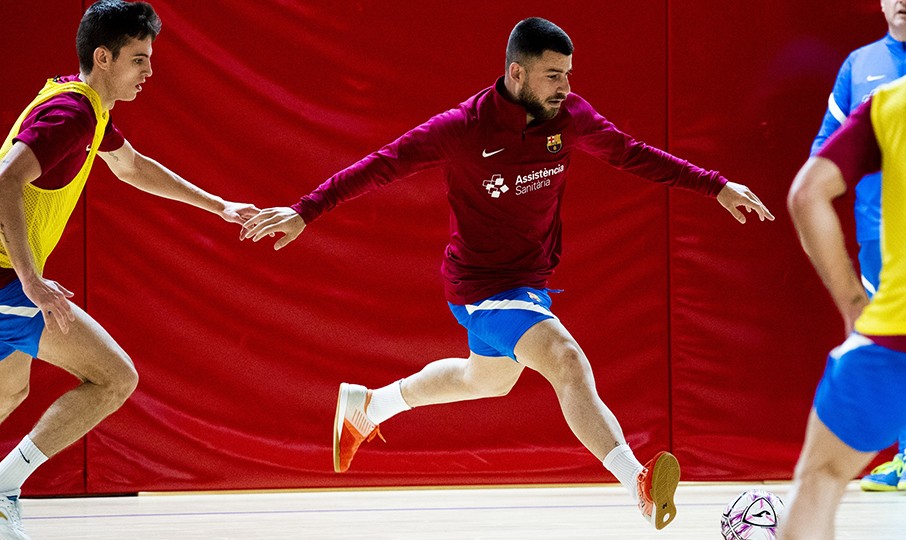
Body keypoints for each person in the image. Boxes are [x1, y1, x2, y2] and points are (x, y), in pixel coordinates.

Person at [243, 17, 773, 531]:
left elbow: (631, 154)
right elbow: (384, 162)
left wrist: (715, 185)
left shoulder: (571, 117)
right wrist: (306, 210)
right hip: (480, 287)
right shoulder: (462, 128)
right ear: (516, 74)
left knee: (485, 381)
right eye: (552, 75)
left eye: (568, 74)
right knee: (566, 359)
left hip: (528, 283)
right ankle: (637, 482)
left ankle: (370, 406)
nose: (565, 86)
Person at [0, 2, 258, 538]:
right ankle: (4, 489)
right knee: (114, 378)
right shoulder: (71, 115)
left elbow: (132, 167)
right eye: (139, 59)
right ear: (103, 57)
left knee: (9, 393)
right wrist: (30, 280)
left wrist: (221, 207)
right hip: (4, 276)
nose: (149, 72)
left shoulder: (86, 108)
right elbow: (4, 180)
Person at [781, 0, 906, 537]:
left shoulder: (896, 101)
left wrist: (853, 304)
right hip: (890, 265)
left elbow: (807, 193)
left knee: (821, 478)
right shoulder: (861, 67)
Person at [810, 0, 906, 495]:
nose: (903, 2)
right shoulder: (859, 65)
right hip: (877, 232)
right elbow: (826, 147)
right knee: (897, 339)